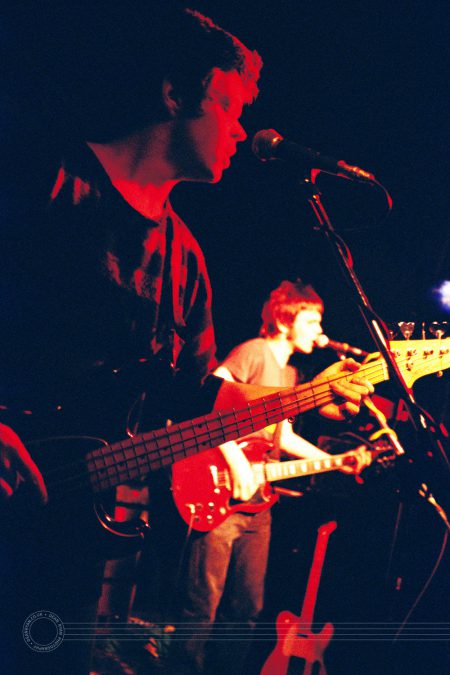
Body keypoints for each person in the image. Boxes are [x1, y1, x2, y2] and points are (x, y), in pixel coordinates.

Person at [0, 7, 373, 674]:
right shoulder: (42, 179)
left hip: (64, 533)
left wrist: (323, 392)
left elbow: (198, 397)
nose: (242, 130)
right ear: (174, 93)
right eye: (230, 106)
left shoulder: (185, 261)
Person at [176, 279, 371, 674]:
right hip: (220, 489)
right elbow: (204, 405)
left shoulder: (291, 375)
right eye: (311, 321)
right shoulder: (254, 351)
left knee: (247, 610)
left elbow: (283, 437)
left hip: (257, 505)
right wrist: (235, 462)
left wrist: (336, 461)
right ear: (284, 322)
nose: (320, 330)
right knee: (202, 606)